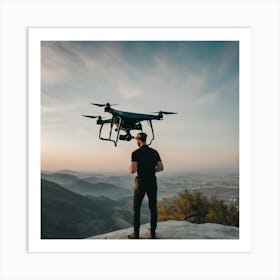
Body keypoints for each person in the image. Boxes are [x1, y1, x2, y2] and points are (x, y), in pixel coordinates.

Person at [128, 132, 164, 239]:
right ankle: (153, 233)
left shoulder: (136, 153)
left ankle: (136, 234)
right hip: (152, 182)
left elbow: (133, 170)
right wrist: (151, 170)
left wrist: (130, 168)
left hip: (140, 183)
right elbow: (161, 168)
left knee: (136, 208)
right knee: (153, 208)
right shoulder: (154, 152)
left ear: (138, 140)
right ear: (146, 139)